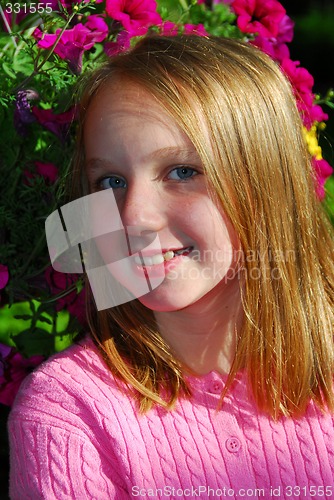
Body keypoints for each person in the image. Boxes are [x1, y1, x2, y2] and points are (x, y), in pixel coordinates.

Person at [8, 35, 334, 499]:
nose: (133, 216)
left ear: (265, 183)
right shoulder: (72, 415)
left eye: (182, 171)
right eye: (112, 181)